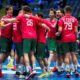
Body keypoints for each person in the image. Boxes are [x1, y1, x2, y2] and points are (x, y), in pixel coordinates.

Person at [58, 6, 79, 77]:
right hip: (73, 38)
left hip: (65, 39)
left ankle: (67, 72)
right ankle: (76, 71)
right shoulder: (75, 19)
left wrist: (57, 33)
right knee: (73, 54)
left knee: (66, 55)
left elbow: (60, 30)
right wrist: (76, 38)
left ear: (64, 11)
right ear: (71, 11)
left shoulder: (61, 19)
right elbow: (76, 31)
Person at [0, 5, 13, 77]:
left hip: (10, 39)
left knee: (7, 54)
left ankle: (0, 70)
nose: (11, 11)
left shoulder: (13, 18)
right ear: (7, 11)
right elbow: (1, 27)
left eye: (12, 9)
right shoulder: (3, 18)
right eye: (10, 9)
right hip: (4, 38)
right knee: (3, 54)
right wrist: (10, 23)